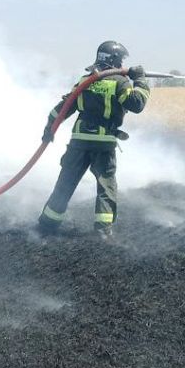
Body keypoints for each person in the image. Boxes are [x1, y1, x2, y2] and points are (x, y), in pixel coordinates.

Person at [37, 41, 150, 238]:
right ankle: (103, 231)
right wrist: (140, 80)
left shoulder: (85, 80)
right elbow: (136, 104)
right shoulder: (119, 82)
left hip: (79, 141)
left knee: (65, 182)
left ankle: (47, 224)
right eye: (122, 60)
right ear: (115, 59)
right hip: (103, 143)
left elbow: (63, 108)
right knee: (106, 186)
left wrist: (49, 129)